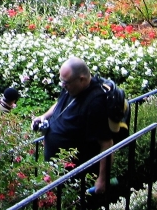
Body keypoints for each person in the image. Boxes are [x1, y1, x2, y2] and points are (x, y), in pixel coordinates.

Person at [33, 57, 114, 194]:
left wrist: (102, 179)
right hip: (57, 169)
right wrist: (44, 117)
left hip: (76, 176)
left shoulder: (95, 103)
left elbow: (106, 143)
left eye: (66, 83)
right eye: (62, 82)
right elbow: (59, 105)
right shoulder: (72, 87)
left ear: (81, 79)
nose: (63, 86)